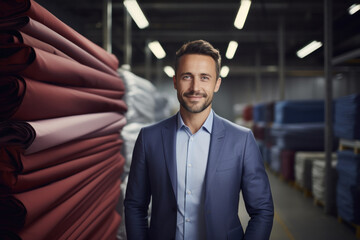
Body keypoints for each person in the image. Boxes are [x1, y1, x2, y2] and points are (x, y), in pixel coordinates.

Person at [124, 39, 274, 240]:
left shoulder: (242, 140)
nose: (195, 87)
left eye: (204, 77)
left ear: (216, 84)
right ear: (175, 81)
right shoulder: (149, 138)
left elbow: (262, 210)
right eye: (187, 76)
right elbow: (135, 205)